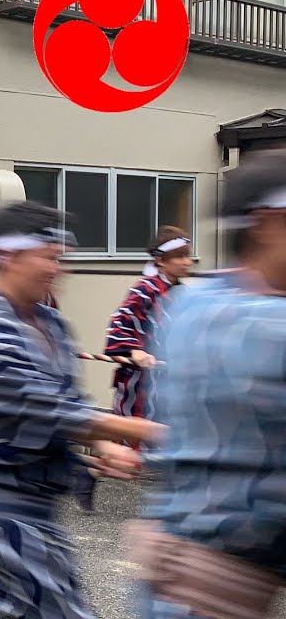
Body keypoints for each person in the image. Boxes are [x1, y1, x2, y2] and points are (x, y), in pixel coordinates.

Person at [0, 201, 161, 619]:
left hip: (42, 508)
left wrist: (105, 447)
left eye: (61, 258)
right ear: (8, 256)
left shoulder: (53, 324)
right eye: (49, 257)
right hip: (5, 514)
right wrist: (162, 432)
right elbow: (55, 412)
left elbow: (70, 401)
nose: (58, 269)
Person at [132, 151, 286, 618]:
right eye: (177, 255)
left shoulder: (191, 303)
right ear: (265, 224)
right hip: (216, 587)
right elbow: (121, 333)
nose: (186, 261)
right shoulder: (261, 323)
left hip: (178, 562)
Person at [104, 226, 193, 427]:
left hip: (171, 381)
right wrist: (134, 350)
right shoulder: (144, 290)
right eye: (180, 256)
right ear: (160, 260)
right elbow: (119, 322)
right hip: (140, 384)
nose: (187, 262)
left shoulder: (185, 293)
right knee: (134, 432)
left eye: (188, 256)